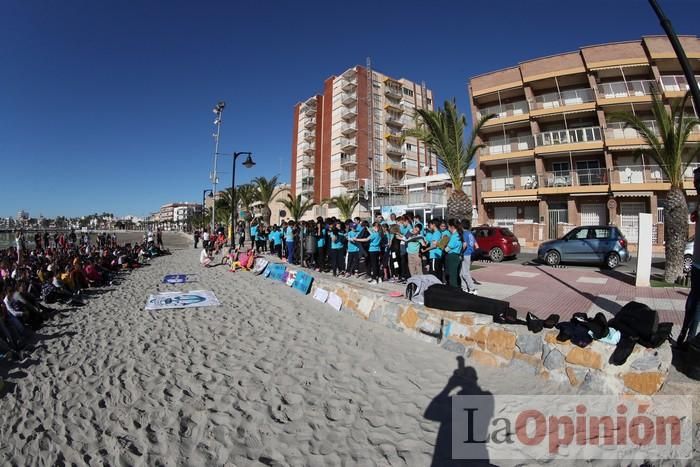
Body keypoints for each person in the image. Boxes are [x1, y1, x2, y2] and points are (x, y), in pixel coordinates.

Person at [679, 166, 700, 348]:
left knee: (694, 299)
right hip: (698, 262)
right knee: (696, 301)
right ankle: (688, 338)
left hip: (697, 262)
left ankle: (685, 336)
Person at [460, 219, 478, 294]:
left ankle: (472, 289)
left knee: (465, 273)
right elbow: (476, 245)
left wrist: (460, 253)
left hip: (466, 254)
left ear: (462, 226)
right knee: (461, 273)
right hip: (470, 254)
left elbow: (464, 245)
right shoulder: (470, 234)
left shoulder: (464, 234)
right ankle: (464, 288)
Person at [443, 219, 463, 288]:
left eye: (448, 226)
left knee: (452, 277)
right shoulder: (458, 234)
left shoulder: (455, 236)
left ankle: (454, 292)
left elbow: (447, 249)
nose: (447, 228)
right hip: (456, 256)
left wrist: (439, 244)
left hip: (452, 256)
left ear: (452, 227)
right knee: (455, 275)